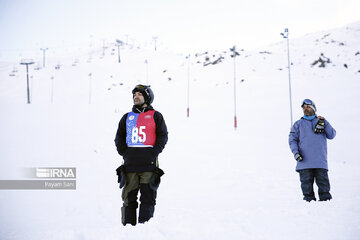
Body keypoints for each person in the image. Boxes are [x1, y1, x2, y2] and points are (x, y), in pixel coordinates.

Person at [115, 84, 168, 225]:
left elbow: (163, 136)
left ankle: (145, 231)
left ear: (147, 97)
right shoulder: (127, 117)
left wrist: (154, 152)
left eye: (139, 94)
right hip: (130, 166)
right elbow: (119, 137)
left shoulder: (156, 116)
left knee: (148, 198)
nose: (135, 96)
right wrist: (124, 153)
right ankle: (128, 230)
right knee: (128, 198)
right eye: (134, 95)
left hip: (149, 166)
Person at [288, 99, 336, 202]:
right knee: (306, 189)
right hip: (304, 162)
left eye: (308, 107)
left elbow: (332, 135)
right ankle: (309, 208)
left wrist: (324, 123)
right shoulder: (298, 124)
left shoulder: (321, 121)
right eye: (304, 107)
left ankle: (327, 206)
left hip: (320, 162)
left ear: (313, 108)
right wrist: (296, 153)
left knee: (324, 187)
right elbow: (292, 140)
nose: (306, 109)